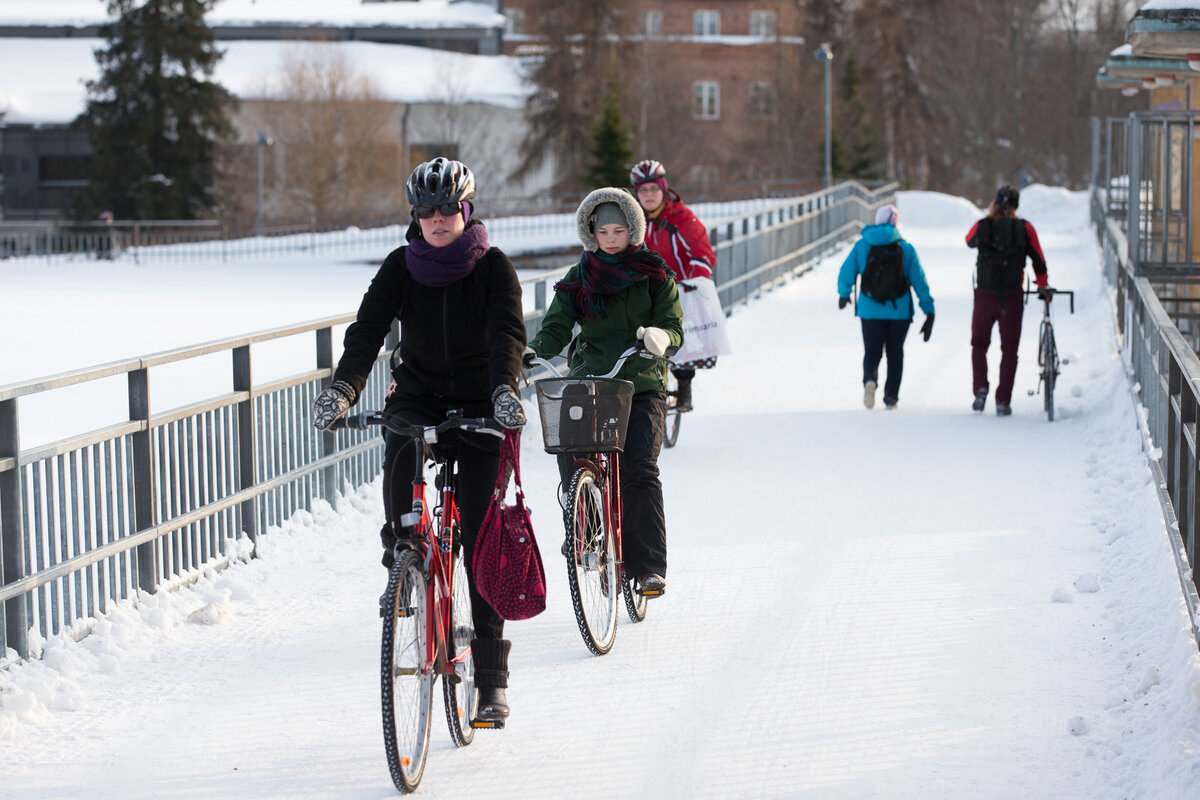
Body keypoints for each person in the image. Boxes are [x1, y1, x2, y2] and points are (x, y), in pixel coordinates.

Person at [311, 157, 526, 722]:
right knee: (399, 439)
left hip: (482, 400)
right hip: (421, 392)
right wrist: (343, 391)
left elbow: (508, 332)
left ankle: (491, 680)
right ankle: (404, 552)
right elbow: (366, 333)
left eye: (447, 209)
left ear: (466, 210)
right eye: (426, 210)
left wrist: (505, 391)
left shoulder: (493, 267)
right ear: (415, 215)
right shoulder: (400, 267)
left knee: (479, 545)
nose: (437, 219)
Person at [524, 187, 683, 595]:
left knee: (639, 470)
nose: (611, 238)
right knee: (571, 454)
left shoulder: (654, 272)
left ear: (633, 230)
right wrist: (534, 351)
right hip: (592, 379)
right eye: (603, 231)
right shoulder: (580, 275)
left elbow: (674, 325)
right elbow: (558, 324)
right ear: (590, 233)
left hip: (642, 382)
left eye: (619, 230)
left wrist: (660, 338)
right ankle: (586, 526)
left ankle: (648, 568)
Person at [630, 159, 716, 412]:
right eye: (643, 191)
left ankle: (684, 389)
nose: (648, 195)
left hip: (679, 288)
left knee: (680, 337)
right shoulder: (633, 222)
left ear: (663, 189)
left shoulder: (682, 218)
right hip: (643, 289)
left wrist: (696, 279)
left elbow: (702, 253)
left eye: (653, 189)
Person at [837, 203, 935, 410]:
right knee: (895, 353)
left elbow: (846, 272)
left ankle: (870, 381)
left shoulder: (862, 245)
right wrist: (928, 309)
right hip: (899, 312)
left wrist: (844, 294)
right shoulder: (905, 249)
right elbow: (919, 281)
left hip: (869, 310)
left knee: (872, 351)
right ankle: (891, 397)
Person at [966, 184, 1051, 416]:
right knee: (1009, 350)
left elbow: (969, 239)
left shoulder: (983, 226)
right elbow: (1038, 261)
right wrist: (1043, 286)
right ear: (1016, 206)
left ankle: (980, 389)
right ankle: (1003, 401)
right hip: (1011, 298)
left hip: (984, 296)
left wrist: (990, 217)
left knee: (979, 345)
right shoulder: (1025, 228)